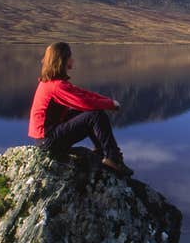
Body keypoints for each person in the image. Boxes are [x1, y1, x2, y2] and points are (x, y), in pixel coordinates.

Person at [28, 42, 133, 177]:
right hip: (48, 140)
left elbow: (82, 93)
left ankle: (101, 152)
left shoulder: (53, 82)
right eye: (70, 57)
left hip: (47, 135)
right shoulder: (57, 86)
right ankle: (113, 159)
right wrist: (110, 105)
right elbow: (83, 102)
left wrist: (108, 101)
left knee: (91, 113)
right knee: (95, 115)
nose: (73, 60)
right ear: (63, 60)